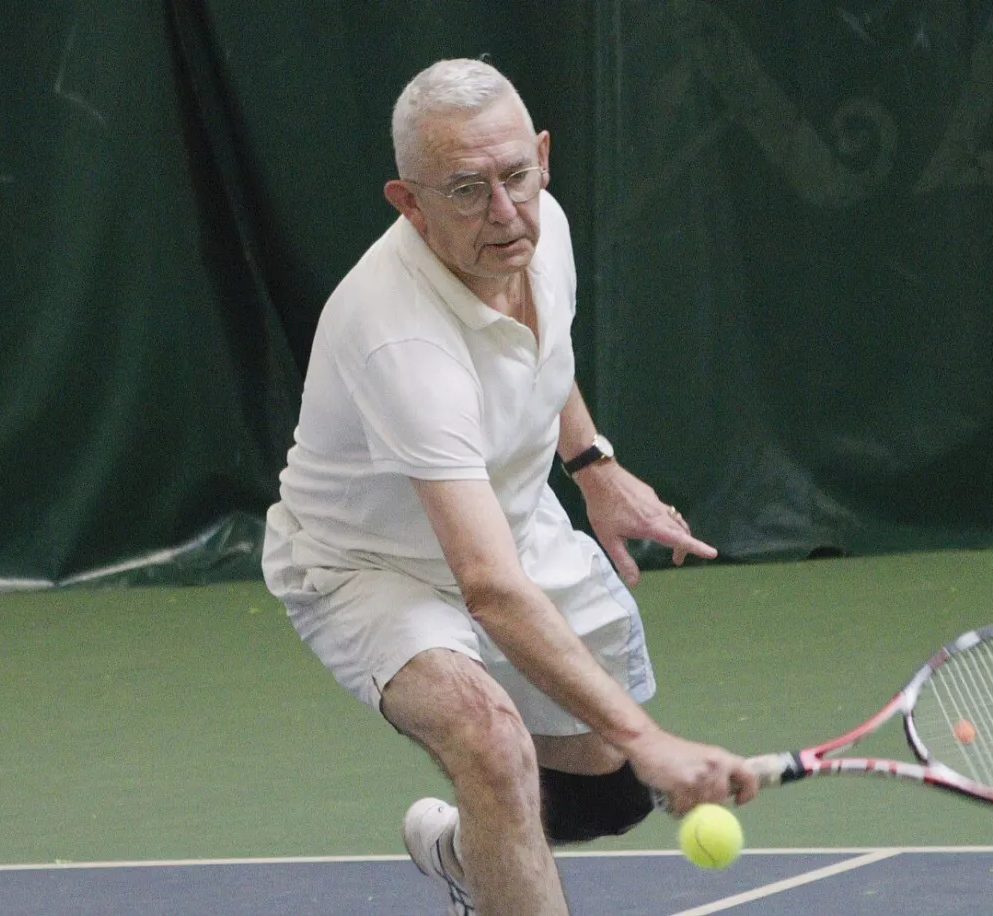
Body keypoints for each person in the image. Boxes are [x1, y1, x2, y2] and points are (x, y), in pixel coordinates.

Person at [261, 58, 758, 916]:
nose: (502, 211)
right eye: (464, 189)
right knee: (492, 745)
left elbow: (537, 346)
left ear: (543, 156)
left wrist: (593, 466)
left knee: (611, 789)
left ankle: (465, 851)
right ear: (407, 202)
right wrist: (657, 739)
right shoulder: (399, 338)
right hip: (369, 569)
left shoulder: (538, 227)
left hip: (511, 523)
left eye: (515, 177)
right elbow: (489, 589)